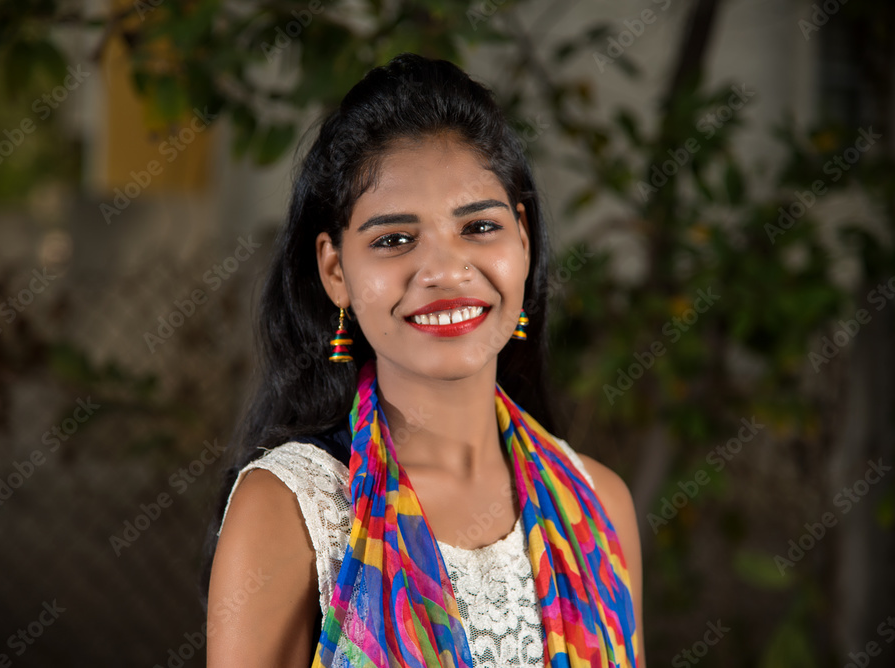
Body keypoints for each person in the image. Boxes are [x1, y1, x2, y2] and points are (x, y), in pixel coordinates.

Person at [202, 53, 645, 667]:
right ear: (336, 271)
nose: (445, 272)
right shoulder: (294, 511)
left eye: (479, 228)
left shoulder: (598, 506)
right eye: (393, 240)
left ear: (523, 238)